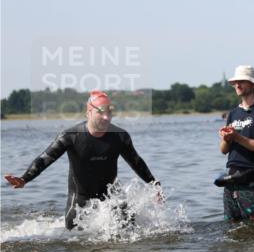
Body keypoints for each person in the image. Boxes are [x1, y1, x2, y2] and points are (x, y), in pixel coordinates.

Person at [4, 90, 159, 230]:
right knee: (75, 237)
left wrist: (154, 185)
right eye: (101, 112)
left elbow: (137, 163)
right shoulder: (71, 136)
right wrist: (25, 178)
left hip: (111, 200)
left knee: (133, 230)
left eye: (109, 112)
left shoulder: (120, 136)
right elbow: (45, 158)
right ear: (89, 112)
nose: (106, 117)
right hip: (80, 203)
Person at [217, 65, 254, 221]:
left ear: (253, 85)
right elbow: (223, 150)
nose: (237, 85)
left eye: (242, 81)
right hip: (231, 177)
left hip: (253, 178)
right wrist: (226, 138)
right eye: (236, 82)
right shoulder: (233, 114)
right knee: (230, 226)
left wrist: (237, 137)